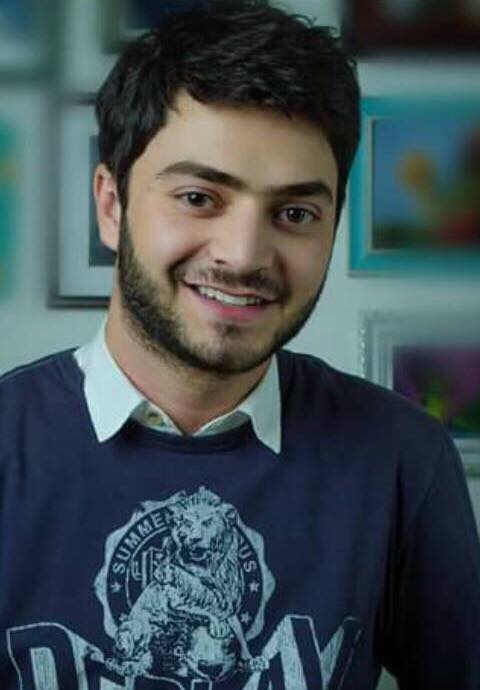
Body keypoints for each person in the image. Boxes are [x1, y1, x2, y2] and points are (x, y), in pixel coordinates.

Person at [1, 1, 479, 688]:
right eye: (199, 198)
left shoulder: (404, 461)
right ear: (111, 204)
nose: (245, 254)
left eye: (295, 213)